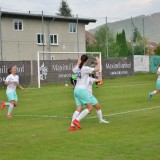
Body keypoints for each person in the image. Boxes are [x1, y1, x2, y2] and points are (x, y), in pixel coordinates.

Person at [69, 54, 100, 131]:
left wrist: (78, 61)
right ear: (86, 61)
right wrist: (98, 61)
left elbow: (74, 68)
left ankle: (72, 126)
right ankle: (77, 120)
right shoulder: (85, 68)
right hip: (82, 90)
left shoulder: (77, 68)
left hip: (76, 90)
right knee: (90, 108)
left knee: (78, 108)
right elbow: (97, 69)